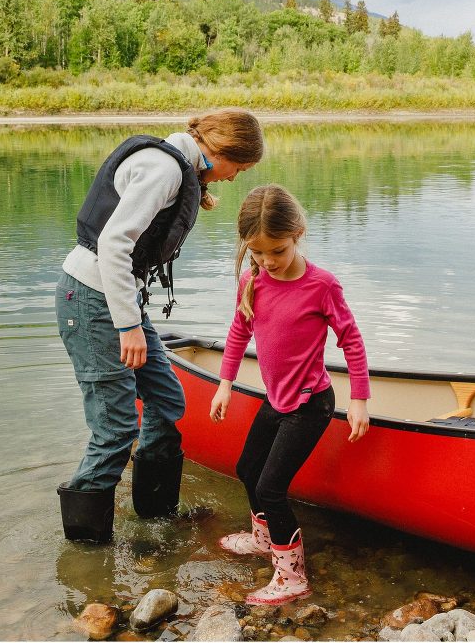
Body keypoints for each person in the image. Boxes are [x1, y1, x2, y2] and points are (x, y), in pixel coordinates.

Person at [56, 109, 265, 543]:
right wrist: (128, 325)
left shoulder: (177, 166)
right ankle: (86, 547)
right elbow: (114, 242)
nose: (232, 178)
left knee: (167, 398)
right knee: (115, 427)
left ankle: (155, 518)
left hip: (114, 296)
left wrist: (130, 315)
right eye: (238, 168)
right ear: (222, 150)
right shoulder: (164, 167)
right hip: (94, 299)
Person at [210, 184, 370, 604]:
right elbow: (237, 331)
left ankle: (293, 576)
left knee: (271, 489)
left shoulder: (322, 286)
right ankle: (265, 541)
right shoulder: (253, 279)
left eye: (276, 251)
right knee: (247, 469)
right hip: (276, 399)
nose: (267, 262)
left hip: (310, 404)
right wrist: (225, 383)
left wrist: (359, 399)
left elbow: (351, 340)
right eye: (258, 253)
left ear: (297, 233)